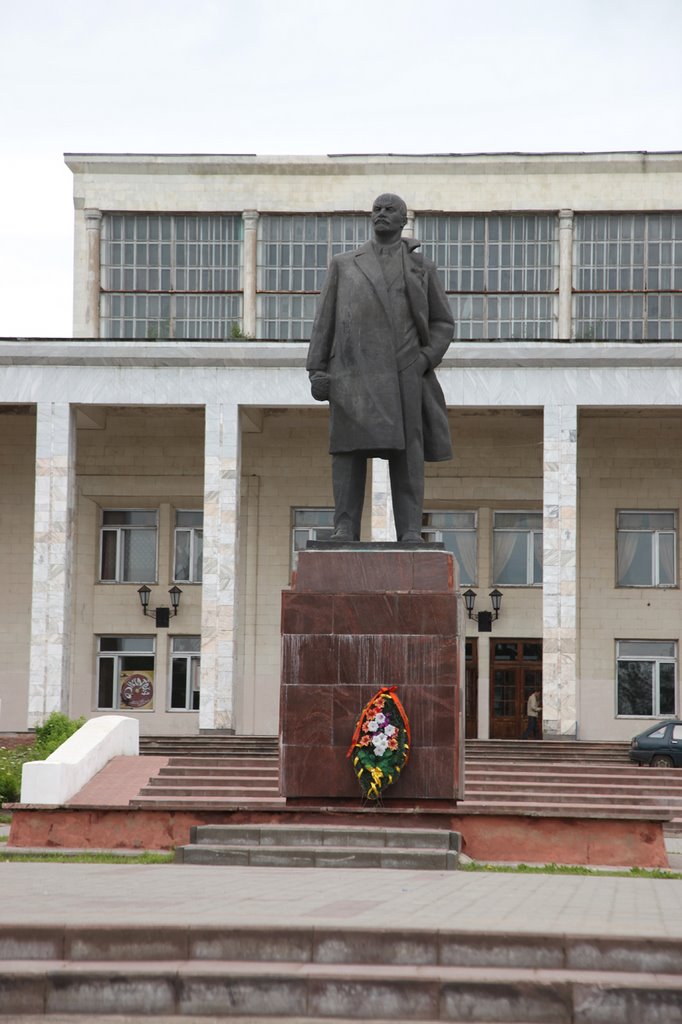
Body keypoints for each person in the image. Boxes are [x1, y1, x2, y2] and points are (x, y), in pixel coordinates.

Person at [306, 193, 454, 542]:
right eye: (377, 210)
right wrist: (316, 370)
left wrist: (424, 359)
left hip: (404, 372)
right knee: (347, 454)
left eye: (390, 210)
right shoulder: (344, 264)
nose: (381, 215)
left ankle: (410, 531)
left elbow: (442, 323)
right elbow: (323, 321)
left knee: (407, 456)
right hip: (351, 373)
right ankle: (344, 526)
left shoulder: (421, 267)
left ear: (404, 221)